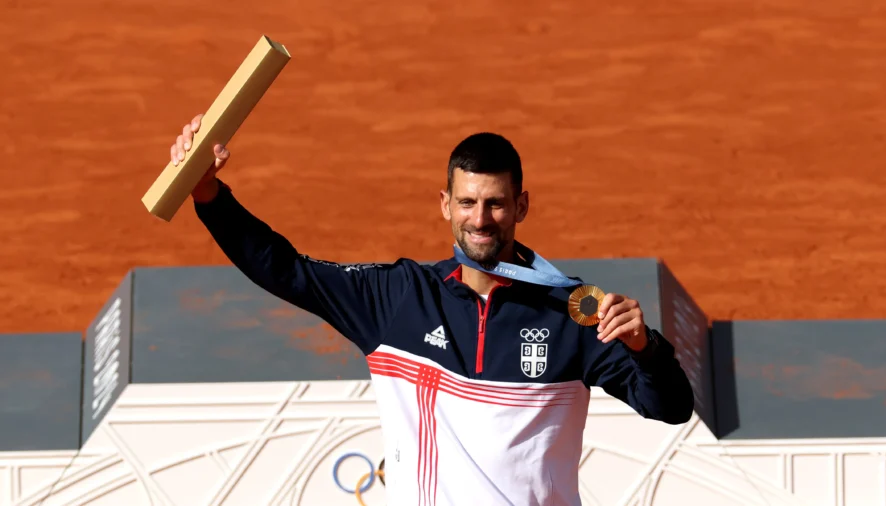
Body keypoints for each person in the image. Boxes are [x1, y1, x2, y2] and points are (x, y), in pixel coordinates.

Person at [170, 113, 694, 506]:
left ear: (522, 206)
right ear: (445, 204)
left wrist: (644, 347)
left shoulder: (571, 313)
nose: (481, 219)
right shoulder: (399, 299)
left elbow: (669, 407)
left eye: (496, 203)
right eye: (467, 203)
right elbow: (285, 269)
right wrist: (209, 193)